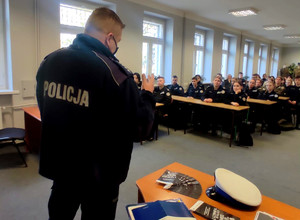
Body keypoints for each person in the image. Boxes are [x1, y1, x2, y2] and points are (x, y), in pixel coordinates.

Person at [36, 7, 155, 220]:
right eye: (118, 41)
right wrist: (147, 95)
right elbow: (140, 129)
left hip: (63, 165)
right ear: (110, 38)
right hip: (101, 175)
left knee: (59, 214)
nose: (116, 46)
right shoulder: (116, 75)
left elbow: (45, 110)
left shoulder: (49, 62)